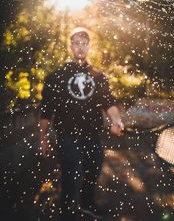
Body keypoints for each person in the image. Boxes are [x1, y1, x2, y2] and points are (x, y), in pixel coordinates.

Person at [39, 27, 123, 220]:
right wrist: (42, 138)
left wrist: (117, 120)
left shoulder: (99, 77)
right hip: (67, 138)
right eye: (77, 43)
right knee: (70, 178)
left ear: (89, 47)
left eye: (84, 43)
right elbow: (46, 111)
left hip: (93, 137)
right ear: (71, 46)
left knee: (92, 174)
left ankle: (87, 205)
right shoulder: (57, 77)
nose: (81, 47)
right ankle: (67, 213)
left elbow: (108, 103)